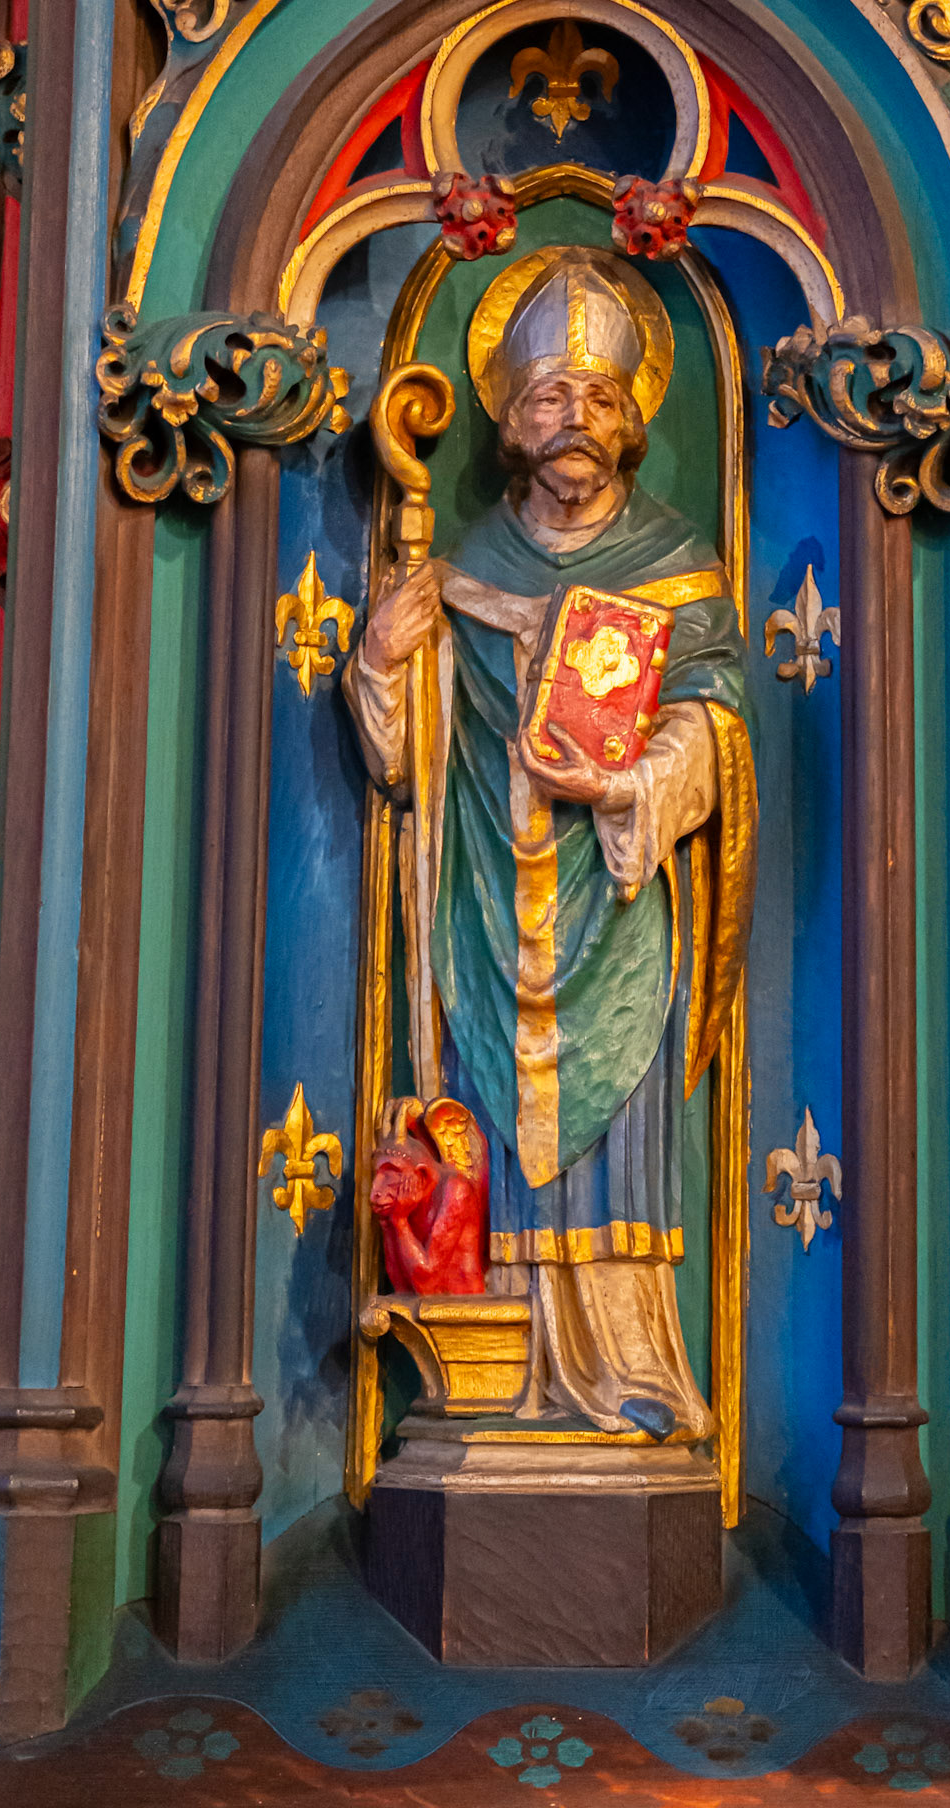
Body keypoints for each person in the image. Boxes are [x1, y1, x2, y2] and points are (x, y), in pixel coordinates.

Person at [344, 245, 755, 1441]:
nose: (571, 419)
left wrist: (631, 778)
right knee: (491, 1125)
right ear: (509, 423)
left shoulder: (674, 563)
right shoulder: (463, 562)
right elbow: (405, 764)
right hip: (482, 902)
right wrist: (383, 656)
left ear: (631, 421)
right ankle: (498, 1377)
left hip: (615, 907)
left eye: (596, 399)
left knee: (618, 1138)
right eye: (543, 398)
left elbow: (715, 724)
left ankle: (625, 1367)